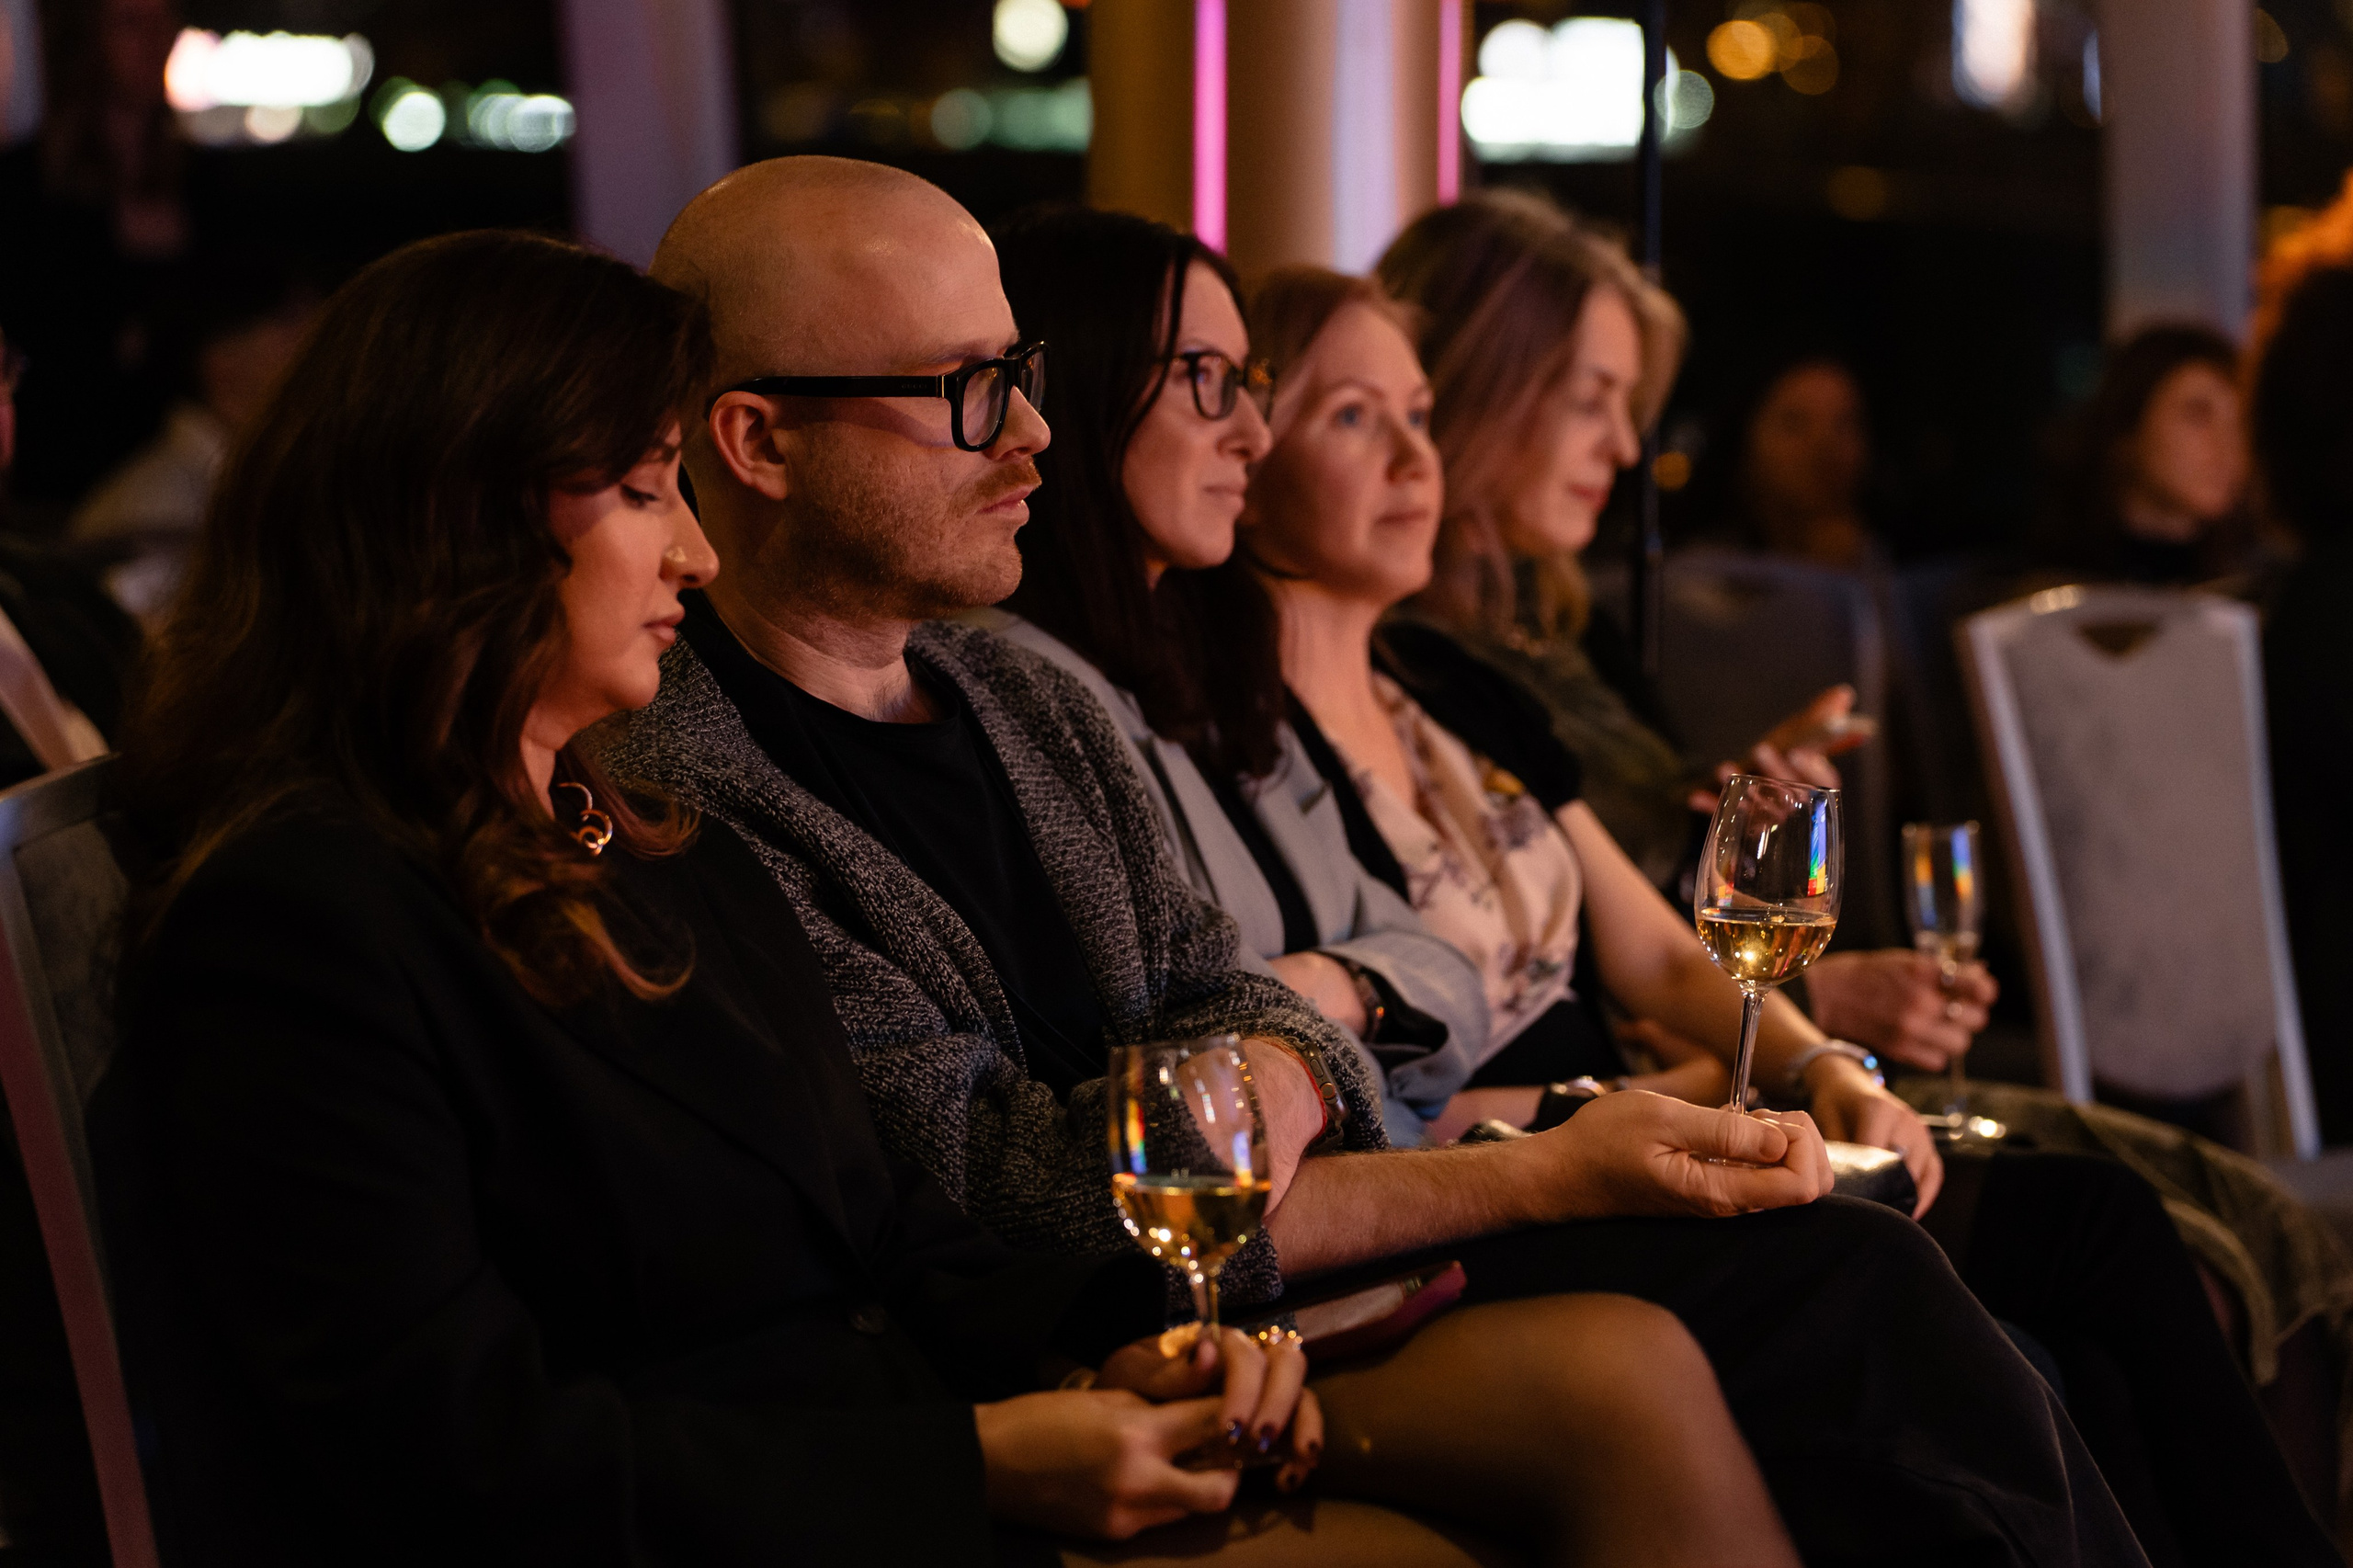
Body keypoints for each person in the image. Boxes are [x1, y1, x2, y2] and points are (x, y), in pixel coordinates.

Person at [96, 227, 1743, 1568]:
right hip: (789, 1516)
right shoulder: (306, 919)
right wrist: (975, 1464)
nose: (690, 552)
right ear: (467, 523)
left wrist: (1131, 1347)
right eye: (646, 488)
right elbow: (451, 1453)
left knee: (1633, 1377)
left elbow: (896, 1228)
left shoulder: (640, 830)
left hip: (921, 1424)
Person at [613, 153, 2156, 1567]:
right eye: (965, 388)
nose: (1031, 430)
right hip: (1079, 1348)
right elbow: (998, 1191)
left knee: (1903, 1262)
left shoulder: (1025, 690)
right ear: (755, 441)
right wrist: (1337, 1082)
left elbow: (1243, 1000)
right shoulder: (684, 786)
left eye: (1020, 373)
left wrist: (1280, 1054)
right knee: (1840, 1293)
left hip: (1247, 1258)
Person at [1240, 260, 2342, 1568]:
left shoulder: (1453, 691)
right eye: (1361, 418)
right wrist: (1726, 1062)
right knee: (2038, 1265)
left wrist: (1826, 1062)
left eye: (1419, 415)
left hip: (1656, 1095)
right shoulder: (1236, 744)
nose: (1419, 459)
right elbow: (1369, 1057)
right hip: (1555, 1149)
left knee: (2113, 1236)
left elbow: (1651, 937)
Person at [1374, 190, 1999, 1100]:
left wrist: (1731, 823)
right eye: (1593, 403)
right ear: (1476, 390)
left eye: (1630, 406)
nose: (1626, 448)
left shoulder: (1558, 625)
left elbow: (1645, 904)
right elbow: (1549, 967)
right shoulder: (1405, 662)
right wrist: (1816, 1001)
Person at [968, 205, 1485, 1141]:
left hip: (1389, 1184)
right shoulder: (1013, 686)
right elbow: (1173, 1057)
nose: (1253, 431)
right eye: (1205, 379)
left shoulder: (1217, 666)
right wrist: (1364, 1017)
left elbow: (1446, 972)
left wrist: (1331, 983)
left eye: (1250, 383)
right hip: (1292, 1230)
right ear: (1080, 383)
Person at [71, 254, 317, 619]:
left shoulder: (252, 483)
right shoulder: (153, 512)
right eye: (289, 321)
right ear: (223, 358)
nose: (315, 338)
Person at [2039, 324, 2260, 589]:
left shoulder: (2255, 591)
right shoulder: (2044, 596)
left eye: (2240, 423)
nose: (2229, 444)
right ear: (2127, 425)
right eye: (2198, 414)